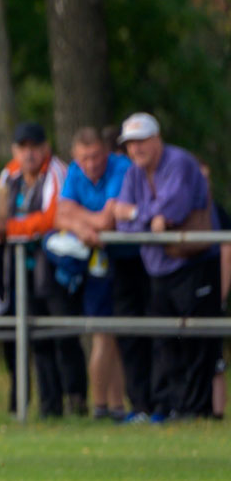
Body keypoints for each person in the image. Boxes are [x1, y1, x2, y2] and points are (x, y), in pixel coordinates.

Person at [113, 113, 222, 419]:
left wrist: (134, 213)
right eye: (131, 143)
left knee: (197, 339)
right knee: (165, 339)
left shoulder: (179, 163)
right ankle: (170, 406)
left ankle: (196, 410)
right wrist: (145, 218)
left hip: (194, 265)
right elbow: (124, 225)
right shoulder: (133, 174)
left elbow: (174, 209)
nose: (136, 149)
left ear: (157, 138)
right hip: (159, 270)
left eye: (142, 141)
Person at [0, 121, 82, 417]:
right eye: (23, 147)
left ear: (46, 148)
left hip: (55, 266)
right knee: (35, 336)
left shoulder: (57, 172)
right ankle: (49, 405)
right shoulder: (9, 175)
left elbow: (52, 218)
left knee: (62, 333)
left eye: (34, 147)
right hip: (22, 268)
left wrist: (11, 228)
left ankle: (75, 399)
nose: (29, 153)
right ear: (14, 150)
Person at [54, 127, 134, 420]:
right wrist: (81, 226)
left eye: (96, 156)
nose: (91, 164)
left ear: (106, 152)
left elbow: (107, 220)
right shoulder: (75, 172)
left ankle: (115, 405)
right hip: (98, 262)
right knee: (103, 332)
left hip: (128, 261)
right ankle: (106, 406)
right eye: (84, 158)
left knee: (115, 335)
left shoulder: (120, 168)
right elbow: (60, 215)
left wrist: (78, 218)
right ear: (75, 157)